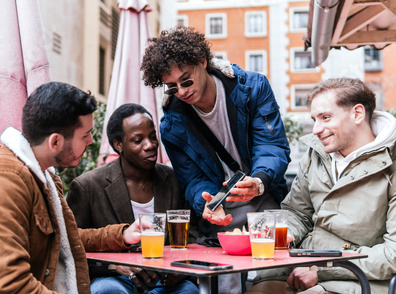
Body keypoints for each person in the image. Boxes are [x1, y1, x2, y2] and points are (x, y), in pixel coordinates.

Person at [0, 82, 144, 294]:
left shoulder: (40, 173)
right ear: (55, 141)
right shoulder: (2, 183)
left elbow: (65, 238)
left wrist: (122, 235)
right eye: (85, 134)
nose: (91, 141)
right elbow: (9, 286)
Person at [248, 78, 396, 294]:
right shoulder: (317, 154)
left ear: (357, 114)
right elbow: (297, 212)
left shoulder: (391, 164)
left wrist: (323, 269)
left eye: (325, 118)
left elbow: (392, 254)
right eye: (314, 119)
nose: (316, 129)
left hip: (357, 280)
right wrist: (287, 233)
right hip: (295, 268)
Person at [140, 26, 291, 233]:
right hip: (219, 224)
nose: (182, 91)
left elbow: (272, 145)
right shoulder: (171, 127)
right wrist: (208, 203)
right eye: (172, 87)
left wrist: (258, 181)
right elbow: (192, 179)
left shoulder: (254, 88)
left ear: (202, 61)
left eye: (186, 80)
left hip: (268, 206)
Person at [67, 103, 198, 294]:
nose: (150, 145)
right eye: (138, 140)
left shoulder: (175, 181)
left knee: (189, 291)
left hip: (165, 280)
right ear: (118, 145)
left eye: (153, 137)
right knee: (107, 291)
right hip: (114, 278)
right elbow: (71, 245)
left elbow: (193, 233)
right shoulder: (88, 186)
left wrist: (179, 268)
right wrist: (113, 266)